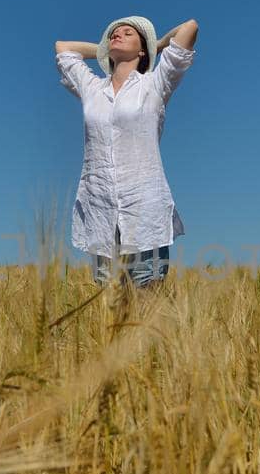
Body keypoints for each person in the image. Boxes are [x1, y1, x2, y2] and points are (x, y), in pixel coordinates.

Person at [54, 15, 199, 289]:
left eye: (128, 33)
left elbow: (190, 28)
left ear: (143, 50)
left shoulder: (155, 83)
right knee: (108, 315)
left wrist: (157, 44)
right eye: (113, 34)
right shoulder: (92, 88)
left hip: (144, 213)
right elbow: (63, 48)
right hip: (100, 212)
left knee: (146, 307)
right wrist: (102, 48)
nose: (116, 35)